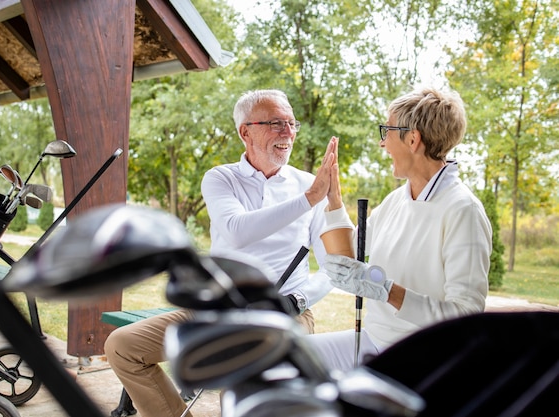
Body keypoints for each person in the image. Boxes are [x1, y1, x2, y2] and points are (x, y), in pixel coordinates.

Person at [104, 89, 339, 417]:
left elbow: (334, 267)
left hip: (287, 313)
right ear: (246, 131)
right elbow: (237, 231)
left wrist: (296, 301)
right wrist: (310, 198)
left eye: (291, 123)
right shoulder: (221, 178)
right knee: (122, 346)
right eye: (275, 123)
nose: (288, 132)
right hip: (217, 308)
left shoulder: (308, 184)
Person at [307, 86, 492, 372]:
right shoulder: (397, 200)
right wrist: (333, 199)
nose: (383, 143)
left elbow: (464, 317)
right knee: (282, 357)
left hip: (422, 357)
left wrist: (388, 291)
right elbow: (350, 256)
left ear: (413, 139)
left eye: (387, 131)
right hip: (373, 342)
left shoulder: (462, 210)